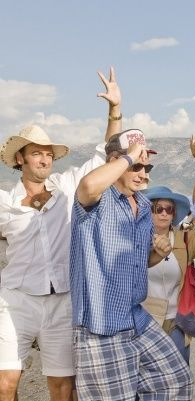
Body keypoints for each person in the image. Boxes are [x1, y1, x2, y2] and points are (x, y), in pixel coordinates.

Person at [0, 67, 121, 401]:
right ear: (20, 159)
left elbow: (105, 154)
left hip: (62, 301)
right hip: (15, 300)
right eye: (37, 153)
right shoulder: (4, 202)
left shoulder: (68, 186)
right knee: (5, 382)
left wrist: (114, 111)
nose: (45, 159)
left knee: (63, 388)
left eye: (48, 154)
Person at [70, 129, 192, 400]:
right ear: (115, 161)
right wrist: (127, 158)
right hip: (101, 323)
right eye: (137, 165)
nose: (144, 173)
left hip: (135, 315)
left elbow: (139, 263)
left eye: (146, 167)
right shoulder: (97, 199)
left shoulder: (143, 206)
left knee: (174, 380)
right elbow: (88, 186)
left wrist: (158, 254)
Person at [143, 186, 195, 364]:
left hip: (177, 323)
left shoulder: (185, 239)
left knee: (179, 378)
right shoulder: (135, 240)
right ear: (148, 212)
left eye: (169, 209)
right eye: (158, 209)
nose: (164, 213)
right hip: (143, 322)